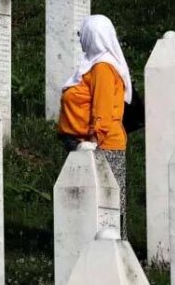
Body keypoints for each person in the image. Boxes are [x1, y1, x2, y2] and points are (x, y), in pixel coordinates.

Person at [57, 14, 132, 236]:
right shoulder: (91, 65)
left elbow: (103, 110)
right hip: (85, 144)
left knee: (107, 206)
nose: (81, 39)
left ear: (94, 36)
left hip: (101, 146)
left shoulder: (103, 68)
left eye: (83, 34)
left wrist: (92, 143)